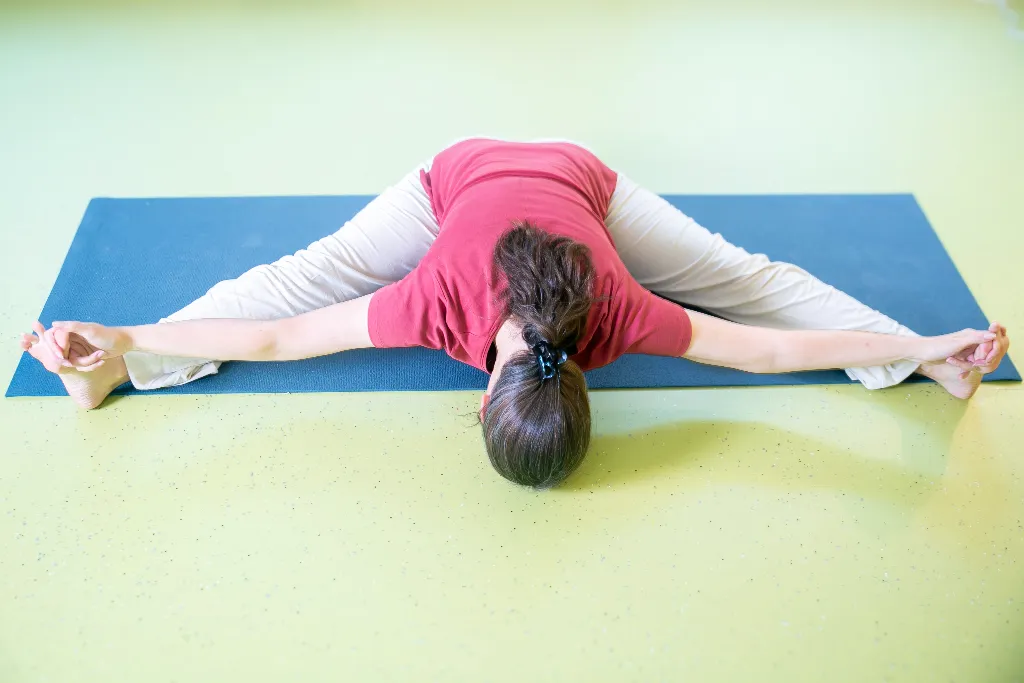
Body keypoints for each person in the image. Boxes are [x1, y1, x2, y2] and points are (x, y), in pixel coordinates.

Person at [20, 139, 1011, 489]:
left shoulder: (613, 308)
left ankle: (925, 361)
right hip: (456, 181)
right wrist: (127, 333)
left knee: (742, 275)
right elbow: (274, 331)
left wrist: (926, 343)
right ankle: (114, 366)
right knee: (304, 276)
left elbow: (766, 351)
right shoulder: (439, 297)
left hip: (582, 191)